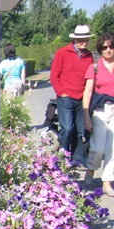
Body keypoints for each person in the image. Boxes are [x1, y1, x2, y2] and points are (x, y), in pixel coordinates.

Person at [50, 25, 95, 167]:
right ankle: (63, 157)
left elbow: (89, 76)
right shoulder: (62, 52)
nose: (84, 42)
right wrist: (61, 92)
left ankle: (76, 159)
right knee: (67, 128)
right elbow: (54, 75)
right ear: (75, 39)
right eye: (81, 39)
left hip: (81, 98)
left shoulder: (88, 55)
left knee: (79, 130)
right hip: (66, 97)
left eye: (86, 39)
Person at [83, 31, 114, 195]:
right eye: (104, 47)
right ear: (100, 49)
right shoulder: (94, 67)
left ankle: (107, 182)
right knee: (99, 149)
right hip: (100, 111)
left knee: (113, 149)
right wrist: (86, 115)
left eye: (111, 46)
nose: (108, 50)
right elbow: (87, 93)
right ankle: (91, 168)